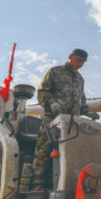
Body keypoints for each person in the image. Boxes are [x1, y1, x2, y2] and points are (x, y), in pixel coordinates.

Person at [31, 48, 92, 189]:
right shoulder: (55, 72)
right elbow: (42, 92)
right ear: (70, 57)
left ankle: (63, 185)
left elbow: (81, 101)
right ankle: (37, 185)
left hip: (71, 124)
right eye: (78, 60)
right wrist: (51, 103)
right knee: (44, 150)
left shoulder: (80, 79)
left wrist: (87, 111)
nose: (80, 64)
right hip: (52, 119)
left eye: (82, 62)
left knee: (69, 153)